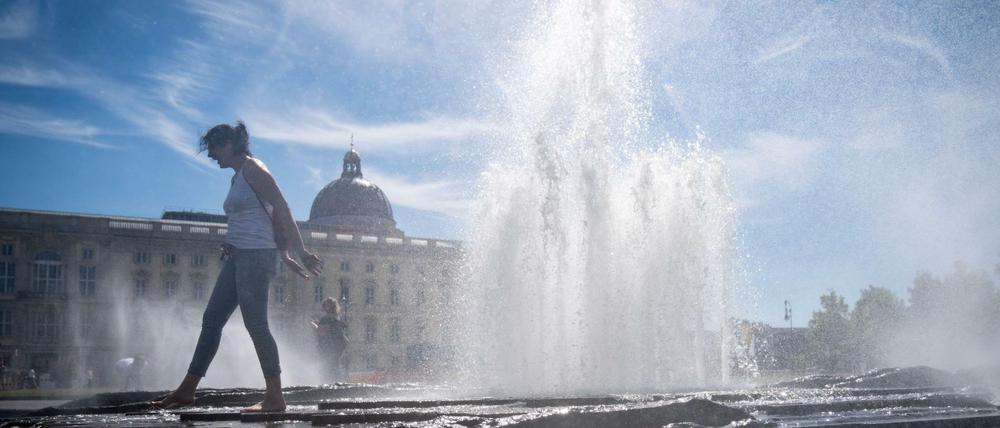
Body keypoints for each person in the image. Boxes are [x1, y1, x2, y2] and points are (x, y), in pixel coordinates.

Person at [152, 122, 322, 412]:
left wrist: (300, 251)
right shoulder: (237, 177)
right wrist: (238, 244)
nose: (210, 155)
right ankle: (187, 390)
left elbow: (281, 207)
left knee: (255, 324)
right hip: (237, 256)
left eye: (213, 148)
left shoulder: (254, 168)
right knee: (212, 319)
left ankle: (275, 396)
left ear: (229, 145)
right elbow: (260, 217)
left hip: (256, 257)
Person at [310, 297, 349, 383]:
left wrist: (313, 324)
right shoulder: (335, 318)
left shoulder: (326, 319)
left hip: (329, 348)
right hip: (337, 347)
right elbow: (330, 329)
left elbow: (321, 330)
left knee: (328, 369)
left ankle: (330, 384)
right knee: (334, 367)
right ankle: (336, 383)